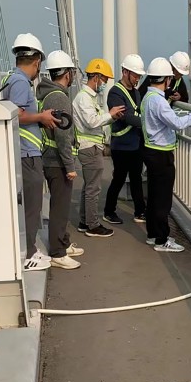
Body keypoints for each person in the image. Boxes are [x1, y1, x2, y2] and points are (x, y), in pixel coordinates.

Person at [2, 33, 58, 271]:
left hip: (23, 152)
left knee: (30, 204)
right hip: (26, 154)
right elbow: (18, 114)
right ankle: (28, 254)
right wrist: (42, 117)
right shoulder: (20, 82)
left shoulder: (9, 78)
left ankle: (29, 249)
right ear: (36, 61)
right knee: (33, 204)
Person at [140, 57, 191, 252]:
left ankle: (153, 235)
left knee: (154, 196)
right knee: (163, 198)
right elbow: (177, 124)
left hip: (151, 151)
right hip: (162, 154)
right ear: (167, 80)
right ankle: (162, 240)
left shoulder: (147, 98)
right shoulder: (159, 102)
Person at [36, 50, 85, 269]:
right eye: (72, 72)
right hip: (57, 161)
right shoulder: (60, 97)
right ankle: (57, 252)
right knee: (60, 206)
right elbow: (64, 135)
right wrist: (70, 166)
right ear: (67, 74)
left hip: (50, 158)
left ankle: (62, 243)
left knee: (60, 205)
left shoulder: (48, 94)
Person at [73, 58, 125, 237]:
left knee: (89, 187)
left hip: (91, 146)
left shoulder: (88, 98)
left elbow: (96, 121)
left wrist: (111, 117)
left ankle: (84, 221)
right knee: (93, 189)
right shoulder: (84, 98)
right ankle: (93, 225)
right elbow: (91, 121)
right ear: (95, 77)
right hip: (90, 148)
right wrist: (109, 115)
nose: (104, 84)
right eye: (104, 80)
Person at [103, 54, 147, 225]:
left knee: (136, 178)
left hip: (135, 143)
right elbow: (125, 117)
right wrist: (147, 122)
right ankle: (109, 211)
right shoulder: (115, 92)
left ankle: (140, 211)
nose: (137, 78)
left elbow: (134, 113)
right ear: (125, 72)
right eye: (135, 75)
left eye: (139, 76)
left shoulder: (136, 92)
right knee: (119, 178)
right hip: (121, 145)